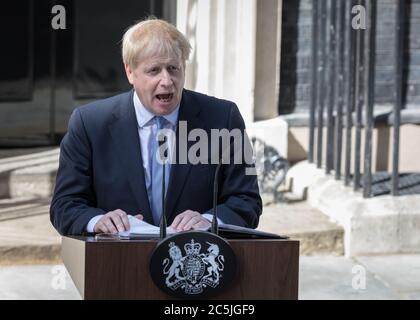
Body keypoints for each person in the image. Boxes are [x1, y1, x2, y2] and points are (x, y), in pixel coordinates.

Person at [50, 18, 262, 236]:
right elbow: (65, 205)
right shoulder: (89, 124)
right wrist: (98, 221)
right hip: (117, 261)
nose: (167, 81)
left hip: (194, 259)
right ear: (130, 72)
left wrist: (209, 220)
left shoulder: (224, 118)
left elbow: (247, 200)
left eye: (173, 68)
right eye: (154, 70)